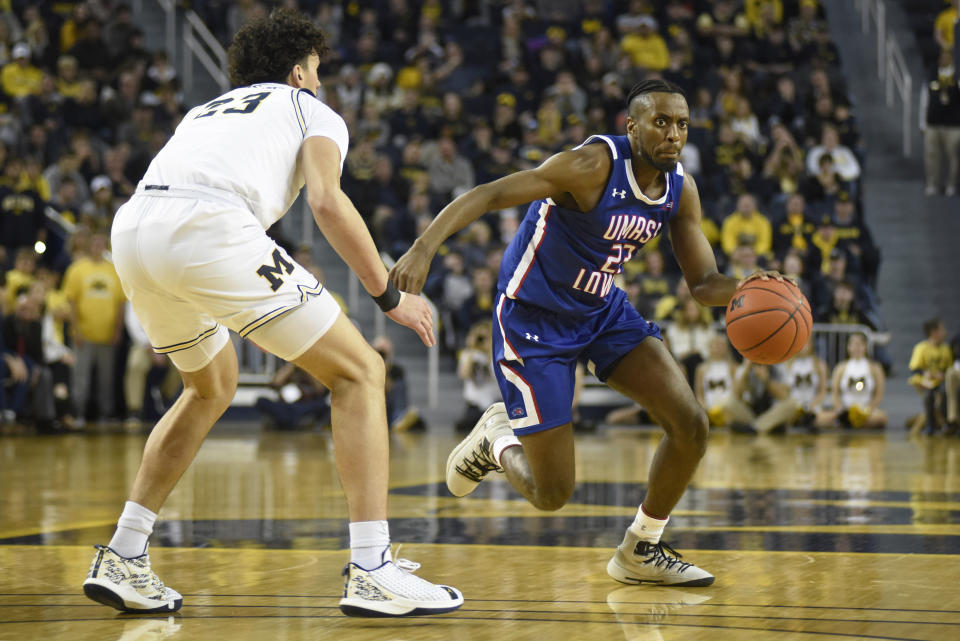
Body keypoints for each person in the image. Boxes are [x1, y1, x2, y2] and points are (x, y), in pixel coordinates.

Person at [81, 9, 462, 618]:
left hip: (134, 230)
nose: (320, 79)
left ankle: (124, 554)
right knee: (361, 372)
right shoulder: (310, 108)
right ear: (298, 72)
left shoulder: (204, 111)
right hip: (208, 228)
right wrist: (388, 295)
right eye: (316, 68)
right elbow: (327, 202)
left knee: (210, 387)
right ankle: (372, 567)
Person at [392, 79, 784, 586]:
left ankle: (641, 547)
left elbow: (704, 284)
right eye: (660, 122)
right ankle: (496, 442)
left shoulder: (680, 190)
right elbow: (492, 194)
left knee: (691, 425)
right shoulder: (591, 165)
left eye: (681, 124)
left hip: (601, 311)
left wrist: (748, 288)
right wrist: (424, 247)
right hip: (534, 321)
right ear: (632, 126)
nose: (672, 134)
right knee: (552, 493)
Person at [818, 332, 887, 430]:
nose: (856, 348)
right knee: (820, 418)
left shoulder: (875, 368)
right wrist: (840, 409)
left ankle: (851, 422)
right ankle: (847, 420)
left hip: (866, 409)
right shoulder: (841, 367)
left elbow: (879, 395)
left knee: (881, 418)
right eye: (853, 344)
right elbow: (835, 393)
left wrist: (866, 410)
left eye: (859, 344)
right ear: (848, 347)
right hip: (845, 409)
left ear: (865, 347)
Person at [908, 318, 953, 435]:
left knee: (943, 393)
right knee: (929, 397)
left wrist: (943, 374)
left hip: (940, 382)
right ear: (933, 332)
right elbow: (914, 369)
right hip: (924, 382)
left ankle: (943, 422)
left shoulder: (946, 349)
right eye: (942, 330)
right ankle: (931, 425)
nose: (945, 332)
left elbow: (950, 369)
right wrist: (925, 373)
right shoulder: (921, 348)